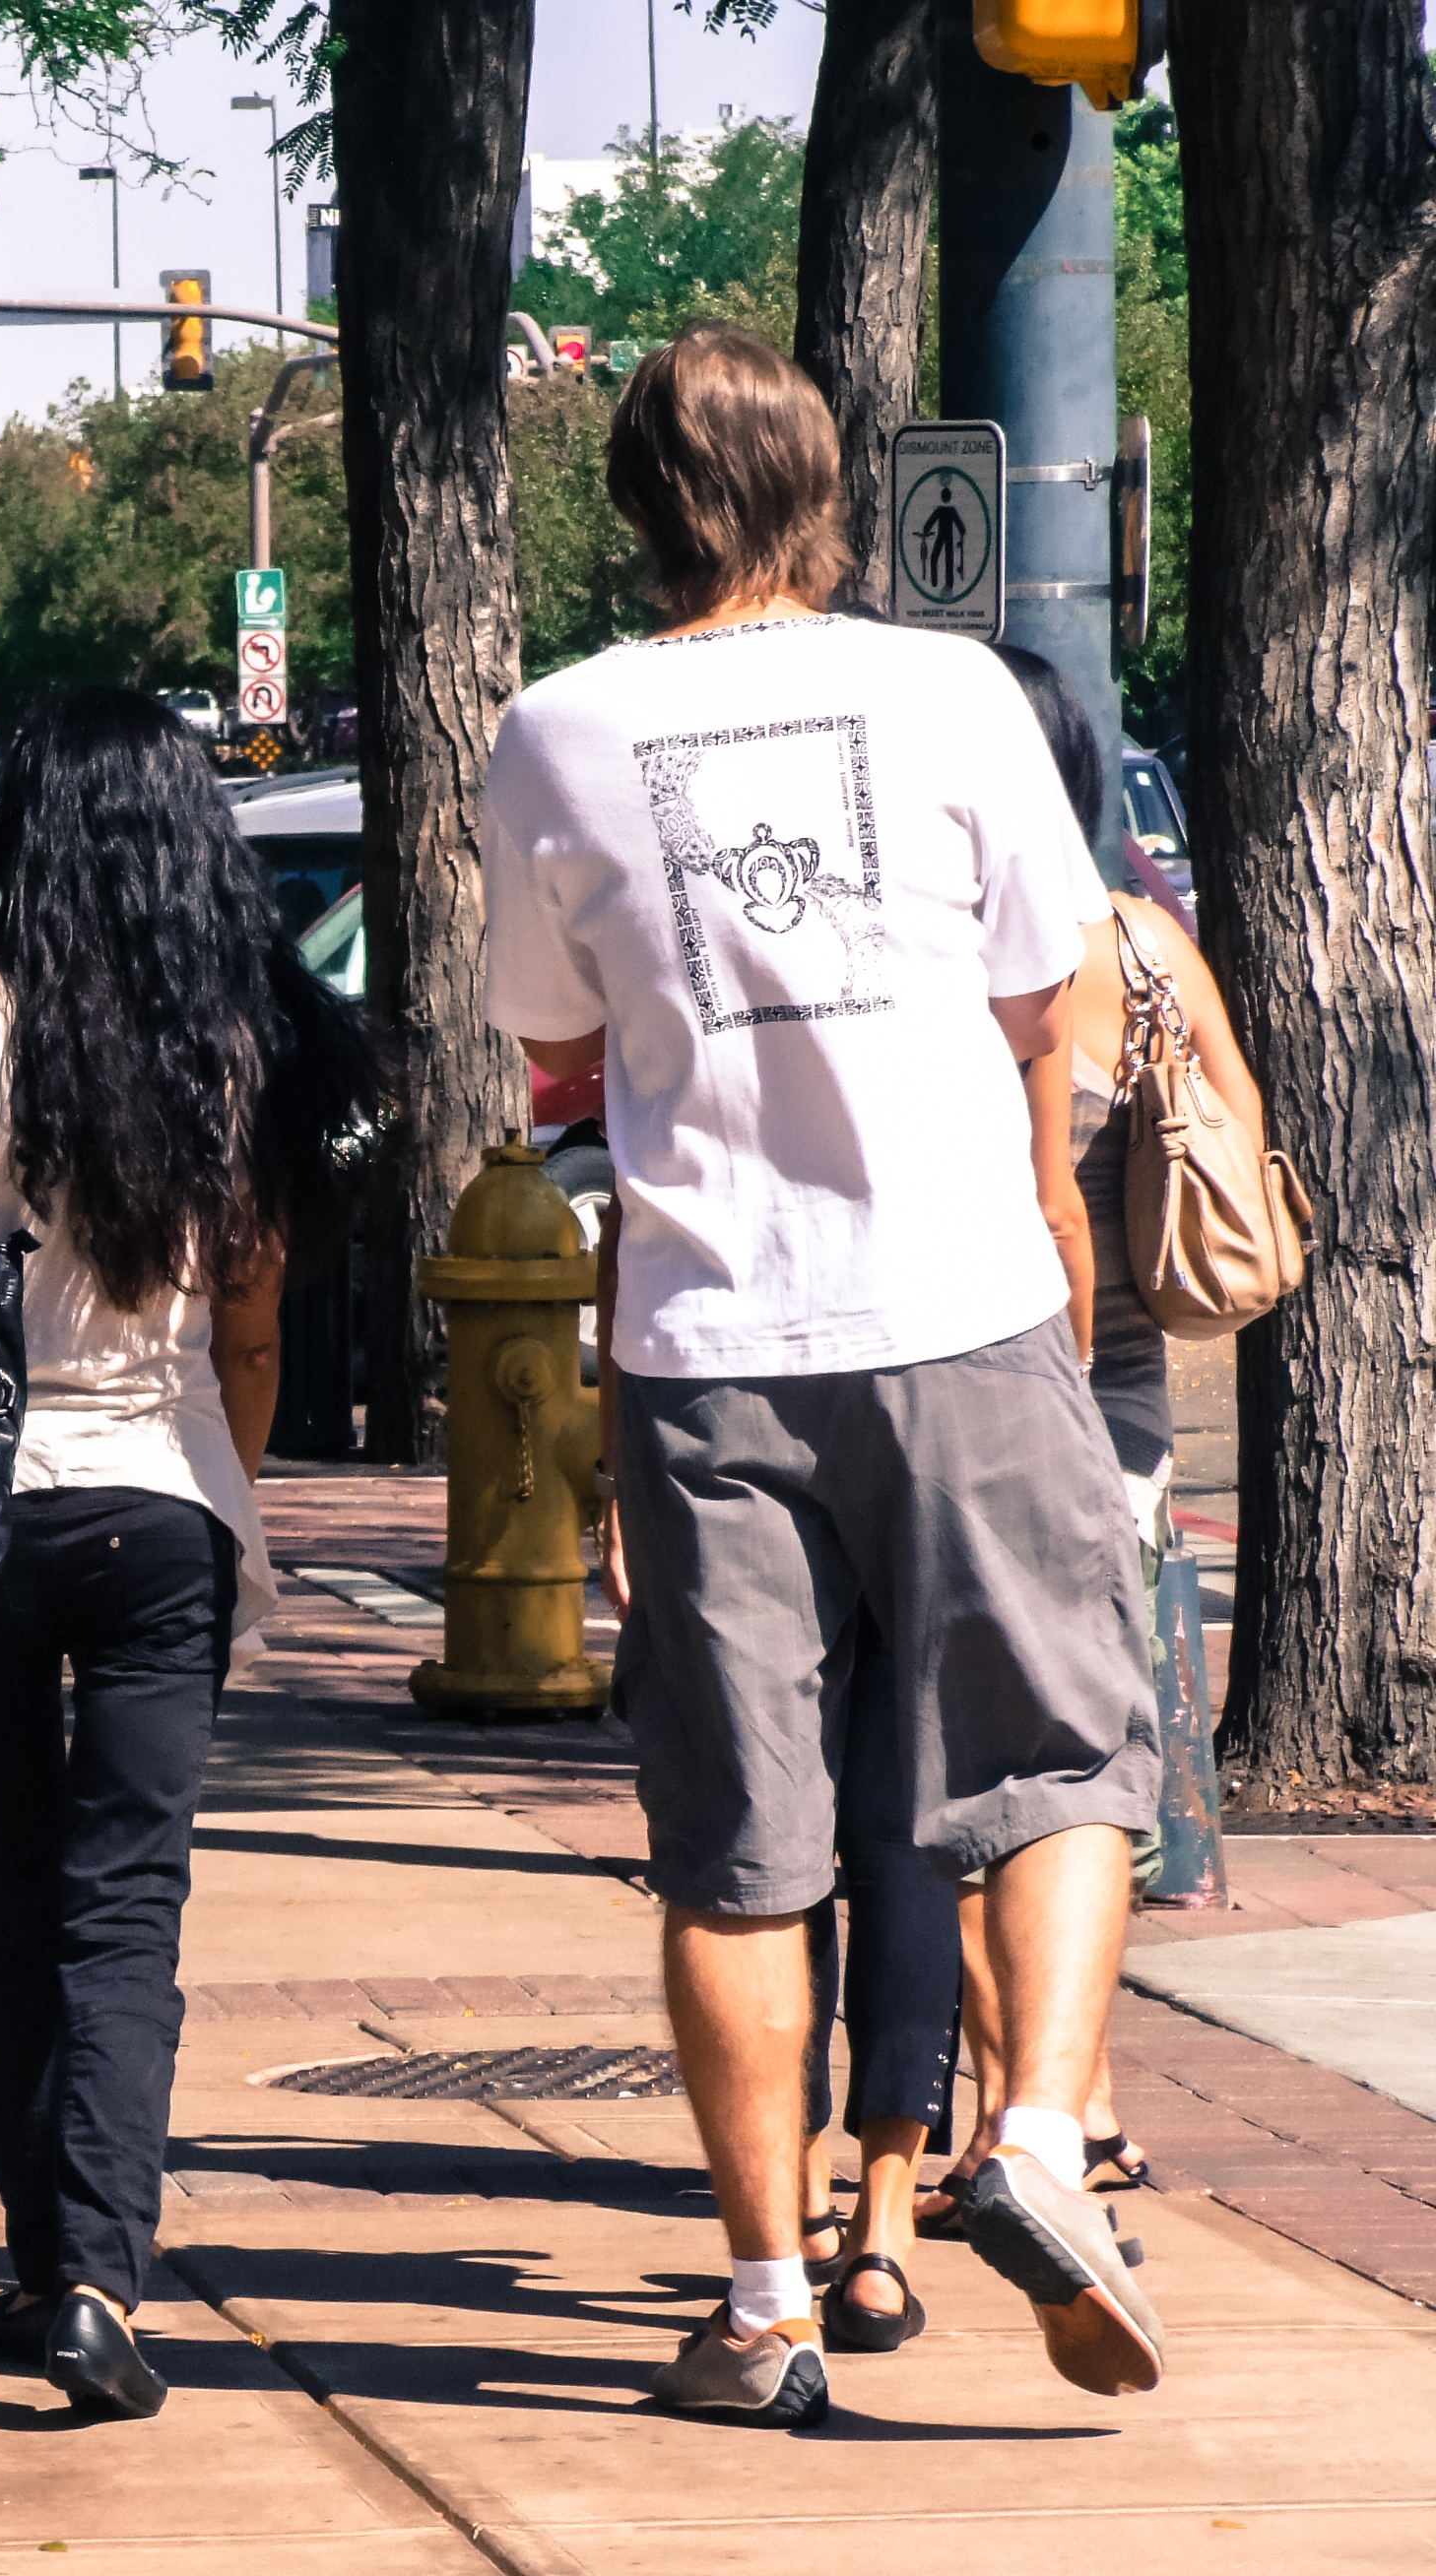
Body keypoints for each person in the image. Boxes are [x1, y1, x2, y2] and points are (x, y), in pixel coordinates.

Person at [484, 323, 1164, 2428]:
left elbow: (550, 1041)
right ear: (826, 500)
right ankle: (1038, 2141)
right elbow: (1050, 993)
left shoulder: (554, 732)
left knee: (732, 1845)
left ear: (631, 510)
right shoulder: (951, 688)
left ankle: (765, 2297)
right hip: (958, 1305)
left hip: (709, 1343)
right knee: (1060, 1752)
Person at [0, 686, 366, 2421]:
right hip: (160, 1501)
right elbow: (255, 1322)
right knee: (125, 1902)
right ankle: (98, 2285)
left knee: (2, 1883)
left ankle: (35, 2241)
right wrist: (225, 1482)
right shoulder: (240, 1048)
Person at [897, 646, 1267, 2240]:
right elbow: (1241, 1135)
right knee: (1083, 1772)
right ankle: (1082, 2103)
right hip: (1120, 1408)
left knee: (970, 1771)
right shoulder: (1145, 942)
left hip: (974, 1385)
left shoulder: (956, 961)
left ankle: (1012, 2111)